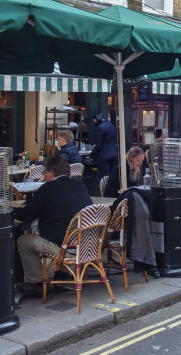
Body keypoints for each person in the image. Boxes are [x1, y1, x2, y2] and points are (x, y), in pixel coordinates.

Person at [14, 156, 92, 294]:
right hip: (87, 245)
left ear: (51, 173)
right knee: (63, 227)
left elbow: (26, 215)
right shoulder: (80, 185)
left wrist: (15, 210)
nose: (44, 175)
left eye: (45, 172)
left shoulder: (49, 188)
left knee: (23, 241)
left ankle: (35, 282)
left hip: (65, 247)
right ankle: (62, 275)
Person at [92, 115, 119, 180]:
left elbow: (98, 145)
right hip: (114, 154)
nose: (94, 122)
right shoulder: (112, 126)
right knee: (112, 176)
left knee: (105, 178)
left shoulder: (100, 128)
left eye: (95, 120)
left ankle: (104, 190)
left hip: (104, 156)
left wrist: (92, 155)